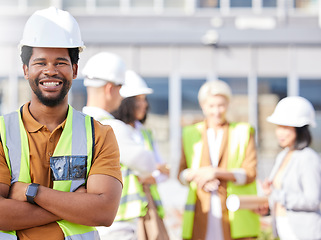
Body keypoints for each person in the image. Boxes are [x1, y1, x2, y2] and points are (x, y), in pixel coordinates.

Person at [0, 7, 122, 240]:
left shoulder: (99, 135)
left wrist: (32, 192)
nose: (50, 71)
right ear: (25, 70)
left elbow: (104, 212)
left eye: (60, 62)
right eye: (40, 62)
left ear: (74, 70)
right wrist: (76, 204)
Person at [82, 56, 157, 240]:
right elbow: (148, 164)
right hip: (116, 224)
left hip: (83, 223)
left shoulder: (74, 125)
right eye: (120, 89)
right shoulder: (112, 128)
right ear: (109, 89)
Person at [178, 80, 260, 240]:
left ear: (228, 104)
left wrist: (216, 173)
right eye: (211, 106)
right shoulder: (189, 133)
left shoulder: (243, 131)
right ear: (203, 105)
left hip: (234, 216)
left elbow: (250, 173)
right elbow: (181, 174)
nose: (217, 111)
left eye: (221, 105)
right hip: (201, 211)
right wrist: (199, 175)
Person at [112, 70, 170, 240]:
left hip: (148, 209)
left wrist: (154, 174)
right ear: (126, 103)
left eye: (144, 100)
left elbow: (163, 170)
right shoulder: (113, 129)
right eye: (138, 100)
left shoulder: (146, 134)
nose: (144, 105)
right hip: (122, 213)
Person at [261, 96, 321, 240]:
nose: (280, 133)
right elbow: (278, 195)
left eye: (286, 127)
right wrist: (267, 205)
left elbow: (312, 200)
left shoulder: (307, 158)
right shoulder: (283, 156)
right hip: (284, 228)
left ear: (300, 130)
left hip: (304, 233)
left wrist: (277, 195)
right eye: (279, 127)